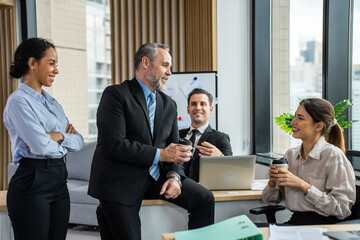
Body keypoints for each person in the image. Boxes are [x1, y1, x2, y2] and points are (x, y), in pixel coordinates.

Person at [88, 43, 215, 240]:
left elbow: (176, 149)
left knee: (204, 198)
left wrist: (174, 176)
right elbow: (115, 145)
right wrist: (162, 154)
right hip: (121, 181)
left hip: (156, 178)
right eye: (165, 65)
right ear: (146, 63)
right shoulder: (115, 95)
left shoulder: (169, 104)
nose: (169, 72)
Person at [4, 38, 84, 240]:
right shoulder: (18, 102)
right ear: (32, 63)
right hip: (32, 181)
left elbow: (79, 142)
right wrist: (62, 139)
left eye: (56, 64)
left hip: (58, 180)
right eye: (51, 63)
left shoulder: (52, 103)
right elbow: (40, 146)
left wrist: (56, 136)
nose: (56, 70)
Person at [262, 98, 356, 225]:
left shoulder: (333, 156)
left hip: (322, 227)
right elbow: (270, 201)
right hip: (295, 222)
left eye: (300, 118)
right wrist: (273, 183)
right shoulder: (291, 154)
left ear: (318, 126)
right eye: (295, 116)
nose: (293, 121)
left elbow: (342, 209)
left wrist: (303, 185)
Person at [179, 88, 232, 182]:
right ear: (188, 109)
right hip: (176, 189)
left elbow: (232, 172)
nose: (198, 108)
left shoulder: (221, 138)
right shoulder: (177, 135)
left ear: (210, 109)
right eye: (193, 104)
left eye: (202, 104)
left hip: (206, 190)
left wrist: (220, 157)